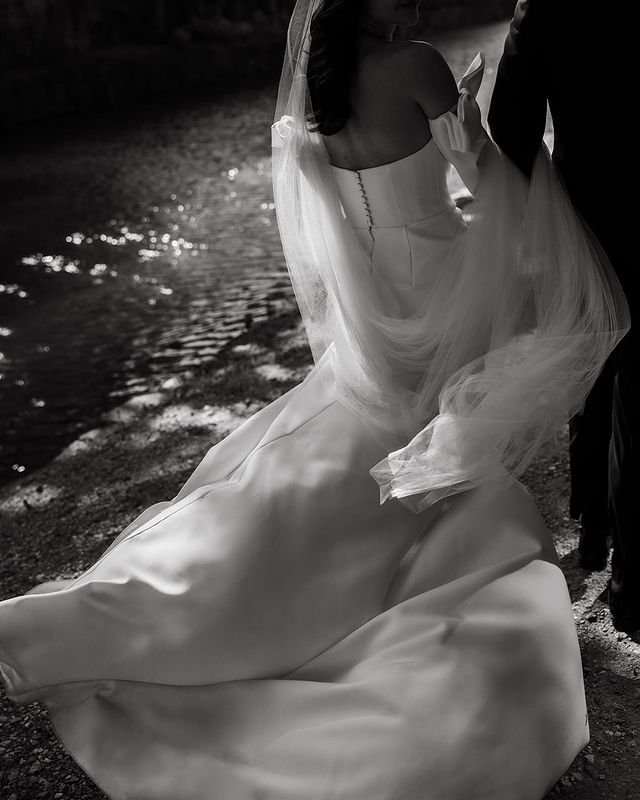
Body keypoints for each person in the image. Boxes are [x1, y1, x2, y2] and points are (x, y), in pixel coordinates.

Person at [0, 1, 629, 798]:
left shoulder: (315, 93)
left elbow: (335, 233)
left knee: (341, 468)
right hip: (443, 295)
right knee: (431, 467)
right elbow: (491, 185)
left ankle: (105, 620)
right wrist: (467, 119)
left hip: (377, 318)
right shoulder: (418, 66)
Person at [488, 0, 637, 632]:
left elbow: (510, 124)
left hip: (589, 212)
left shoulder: (546, 7)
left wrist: (547, 200)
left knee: (597, 361)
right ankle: (625, 572)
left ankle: (597, 530)